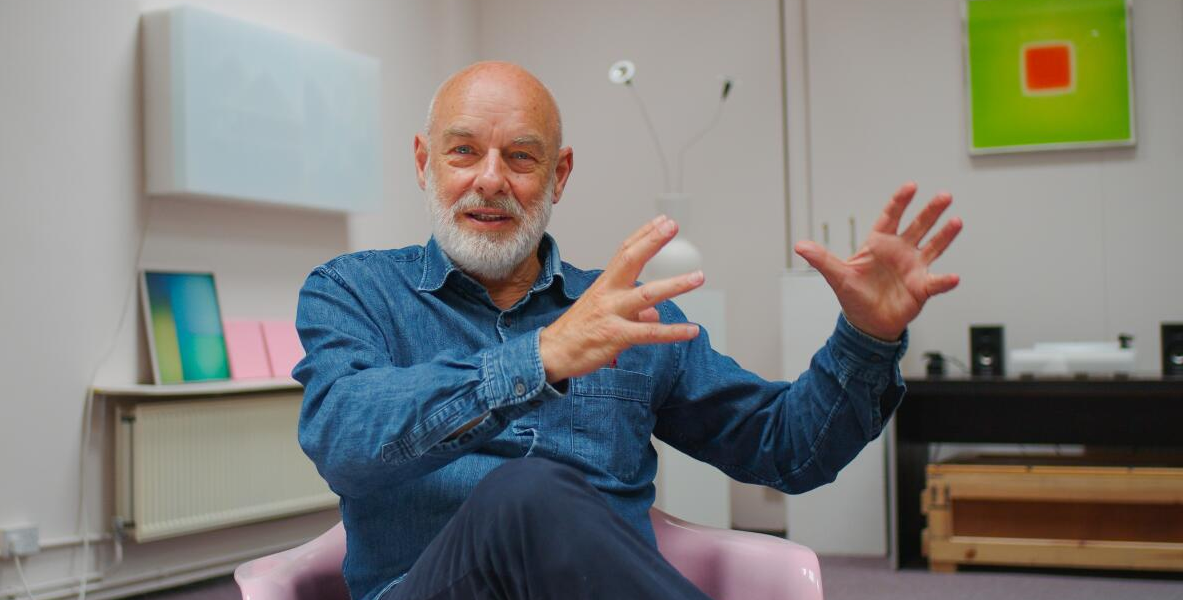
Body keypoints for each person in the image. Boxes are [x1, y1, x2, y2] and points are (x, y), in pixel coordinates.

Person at [293, 61, 961, 600]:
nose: (490, 180)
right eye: (464, 151)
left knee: (534, 495)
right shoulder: (354, 290)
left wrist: (865, 337)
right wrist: (541, 358)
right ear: (424, 162)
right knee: (526, 494)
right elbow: (342, 439)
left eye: (521, 157)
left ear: (559, 175)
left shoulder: (628, 315)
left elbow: (787, 450)